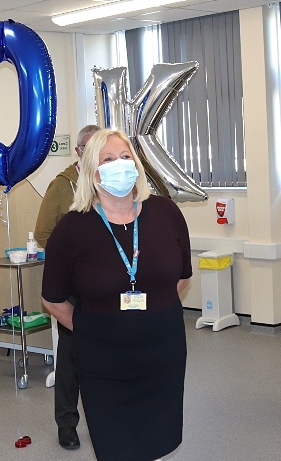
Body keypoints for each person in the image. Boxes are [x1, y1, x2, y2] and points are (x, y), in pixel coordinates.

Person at [41, 129, 192, 461]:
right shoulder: (72, 228)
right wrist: (92, 328)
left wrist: (152, 311)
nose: (119, 165)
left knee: (158, 441)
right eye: (108, 159)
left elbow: (179, 279)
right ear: (92, 171)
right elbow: (52, 299)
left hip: (162, 355)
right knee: (116, 447)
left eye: (125, 157)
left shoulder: (167, 214)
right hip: (102, 362)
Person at [34, 123, 100, 450]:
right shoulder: (62, 186)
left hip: (106, 285)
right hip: (73, 285)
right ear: (78, 152)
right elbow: (43, 234)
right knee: (72, 355)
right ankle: (67, 424)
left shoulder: (112, 183)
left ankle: (105, 418)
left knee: (107, 355)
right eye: (90, 149)